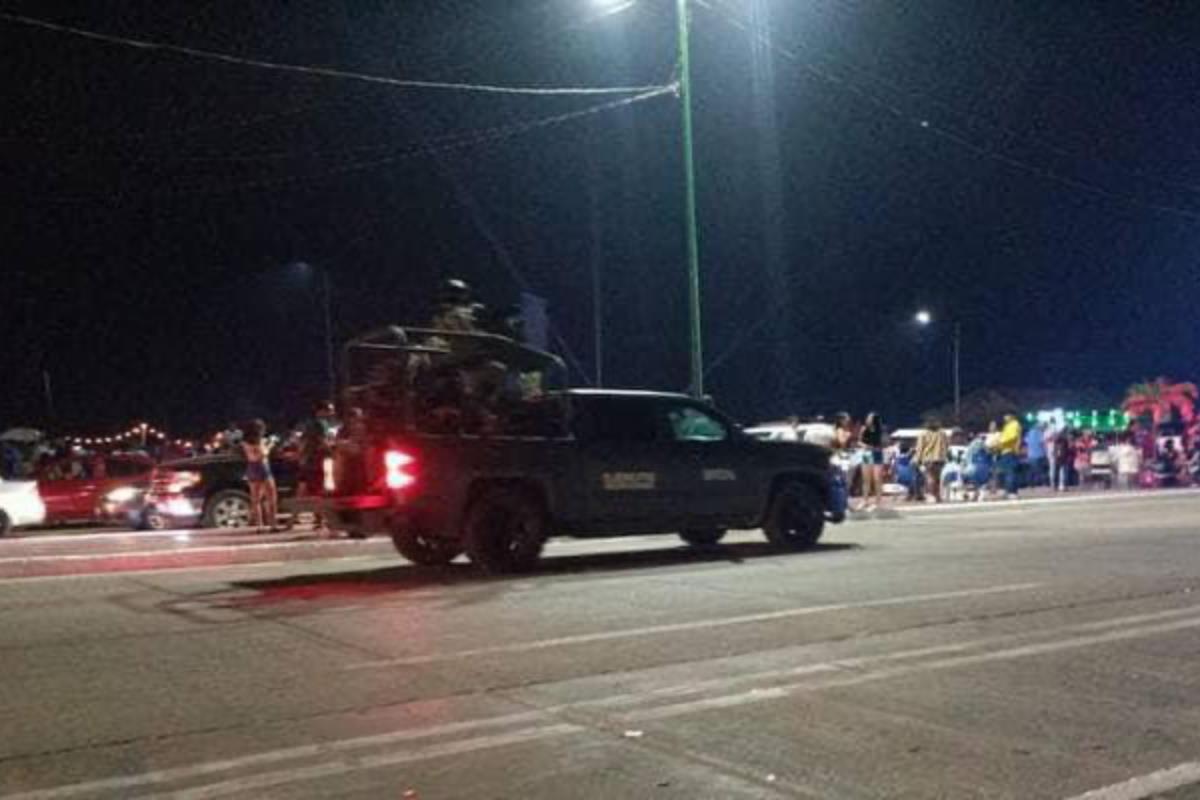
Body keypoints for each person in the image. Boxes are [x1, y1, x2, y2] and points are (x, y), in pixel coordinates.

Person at [241, 419, 279, 532]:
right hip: (262, 467)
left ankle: (260, 526)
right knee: (271, 497)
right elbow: (263, 454)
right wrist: (271, 444)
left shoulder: (244, 443)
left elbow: (251, 456)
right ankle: (273, 524)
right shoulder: (259, 442)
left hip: (252, 468)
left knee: (256, 499)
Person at [914, 420, 950, 503]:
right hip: (940, 458)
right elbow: (947, 445)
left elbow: (920, 448)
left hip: (928, 458)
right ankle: (938, 496)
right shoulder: (942, 433)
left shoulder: (923, 434)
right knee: (938, 479)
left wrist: (917, 459)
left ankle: (933, 495)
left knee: (930, 477)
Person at [858, 412, 885, 510]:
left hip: (877, 454)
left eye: (870, 418)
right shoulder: (864, 429)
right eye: (868, 417)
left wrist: (879, 447)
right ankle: (865, 501)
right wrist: (865, 446)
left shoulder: (880, 430)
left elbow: (884, 442)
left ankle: (878, 502)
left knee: (877, 479)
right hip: (866, 454)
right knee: (866, 479)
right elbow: (859, 441)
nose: (868, 419)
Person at [994, 413, 1023, 499]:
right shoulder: (1007, 426)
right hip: (1005, 451)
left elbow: (1012, 437)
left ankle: (1012, 492)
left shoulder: (1014, 424)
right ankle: (1007, 491)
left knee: (1011, 472)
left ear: (1011, 416)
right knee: (1005, 472)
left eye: (1006, 415)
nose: (1004, 418)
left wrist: (1000, 442)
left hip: (1011, 451)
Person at [1025, 423, 1047, 487]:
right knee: (1041, 470)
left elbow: (1026, 441)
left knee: (1031, 470)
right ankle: (1043, 483)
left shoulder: (1029, 433)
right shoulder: (1040, 433)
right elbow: (1042, 442)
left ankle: (1030, 484)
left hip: (1030, 455)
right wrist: (1045, 452)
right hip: (1039, 454)